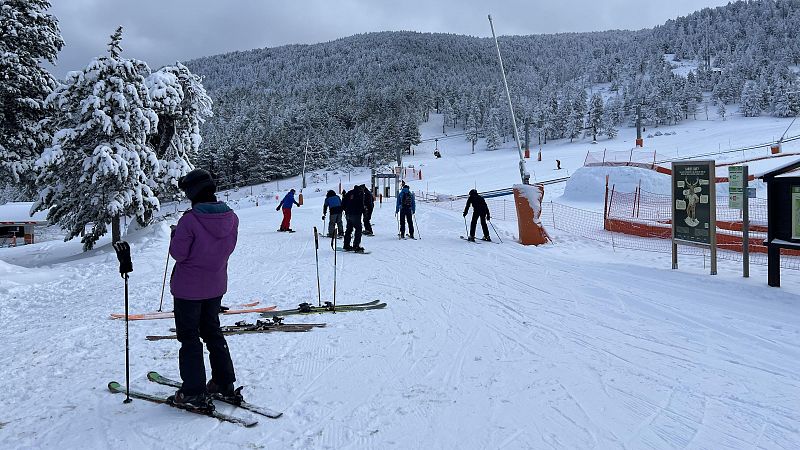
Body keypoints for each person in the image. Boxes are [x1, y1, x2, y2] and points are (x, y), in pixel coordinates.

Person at [169, 168, 239, 411]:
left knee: (189, 337)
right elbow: (228, 248)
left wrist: (176, 235)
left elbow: (178, 254)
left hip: (188, 289)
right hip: (215, 284)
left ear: (192, 192)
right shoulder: (231, 217)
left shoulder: (189, 220)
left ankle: (193, 391)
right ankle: (223, 382)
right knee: (212, 332)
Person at [341, 185, 365, 252]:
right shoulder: (360, 193)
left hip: (348, 214)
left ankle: (346, 245)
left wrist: (344, 209)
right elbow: (361, 204)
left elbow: (343, 202)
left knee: (349, 229)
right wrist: (364, 212)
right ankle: (356, 246)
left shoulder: (349, 193)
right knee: (358, 229)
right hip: (356, 214)